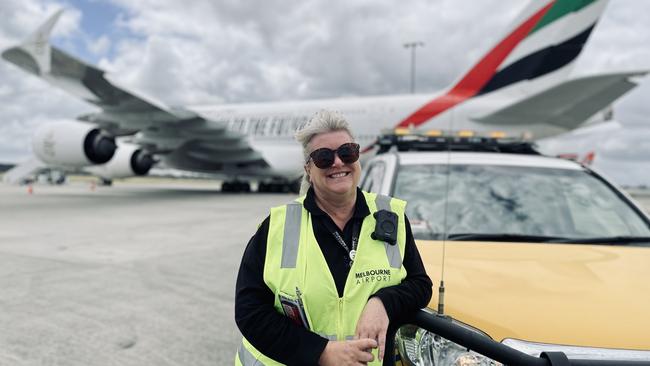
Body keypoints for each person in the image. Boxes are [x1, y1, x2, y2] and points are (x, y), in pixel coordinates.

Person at [235, 110, 432, 365]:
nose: (338, 163)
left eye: (347, 152)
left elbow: (420, 284)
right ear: (308, 168)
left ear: (358, 157)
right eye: (324, 157)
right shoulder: (277, 226)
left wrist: (383, 302)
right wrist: (320, 352)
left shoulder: (390, 216)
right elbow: (249, 311)